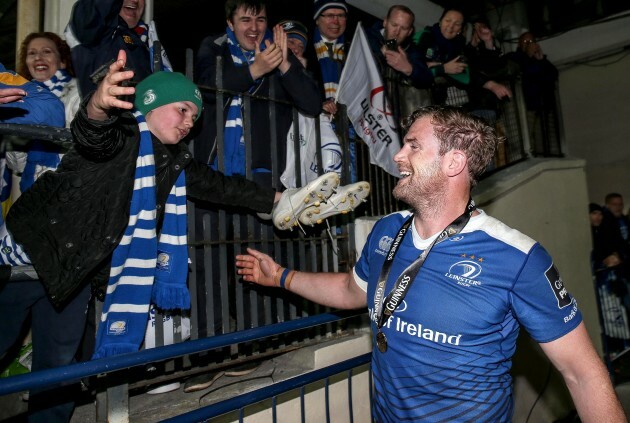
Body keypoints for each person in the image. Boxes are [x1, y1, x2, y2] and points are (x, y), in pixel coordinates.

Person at [236, 105, 626, 422]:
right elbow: (350, 291)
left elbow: (583, 373)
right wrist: (282, 277)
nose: (398, 156)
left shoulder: (517, 257)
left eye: (413, 146)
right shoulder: (387, 230)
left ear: (453, 162)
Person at [0, 50, 280, 421]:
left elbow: (221, 187)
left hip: (72, 275)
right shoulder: (124, 133)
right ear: (150, 102)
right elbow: (92, 133)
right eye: (182, 109)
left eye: (194, 116)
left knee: (58, 370)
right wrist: (99, 105)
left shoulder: (172, 160)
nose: (189, 123)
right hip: (27, 259)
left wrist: (283, 199)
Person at [10, 32, 81, 195]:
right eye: (32, 53)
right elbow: (17, 166)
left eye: (46, 51)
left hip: (69, 193)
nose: (38, 57)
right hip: (31, 194)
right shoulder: (19, 98)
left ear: (62, 61)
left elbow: (85, 150)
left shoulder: (79, 93)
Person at [65, 0, 171, 98]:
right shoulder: (94, 31)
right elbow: (92, 13)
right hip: (102, 115)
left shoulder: (146, 41)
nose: (135, 0)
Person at [364, 5, 433, 125]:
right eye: (394, 25)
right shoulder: (366, 37)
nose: (397, 32)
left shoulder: (412, 51)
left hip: (393, 116)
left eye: (403, 28)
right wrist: (379, 55)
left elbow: (427, 79)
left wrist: (408, 69)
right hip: (364, 106)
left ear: (410, 31)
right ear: (385, 22)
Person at [505, 31, 559, 155]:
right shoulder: (516, 57)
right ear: (519, 44)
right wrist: (528, 57)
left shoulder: (540, 60)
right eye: (526, 42)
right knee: (527, 139)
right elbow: (524, 73)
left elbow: (553, 75)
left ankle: (546, 157)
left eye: (532, 41)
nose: (529, 44)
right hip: (526, 108)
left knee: (544, 141)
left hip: (543, 107)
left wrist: (541, 60)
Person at [414, 8, 470, 107]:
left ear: (460, 30)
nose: (451, 26)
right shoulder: (423, 37)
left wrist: (436, 67)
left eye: (457, 24)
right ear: (440, 22)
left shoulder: (459, 47)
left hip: (437, 103)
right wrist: (444, 68)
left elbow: (465, 78)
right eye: (447, 21)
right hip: (413, 97)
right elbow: (412, 69)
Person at [464, 17, 512, 124]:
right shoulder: (468, 51)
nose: (479, 31)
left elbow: (494, 67)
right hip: (477, 108)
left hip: (492, 107)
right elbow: (467, 66)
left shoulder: (491, 51)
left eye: (482, 28)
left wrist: (488, 41)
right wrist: (473, 44)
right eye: (476, 29)